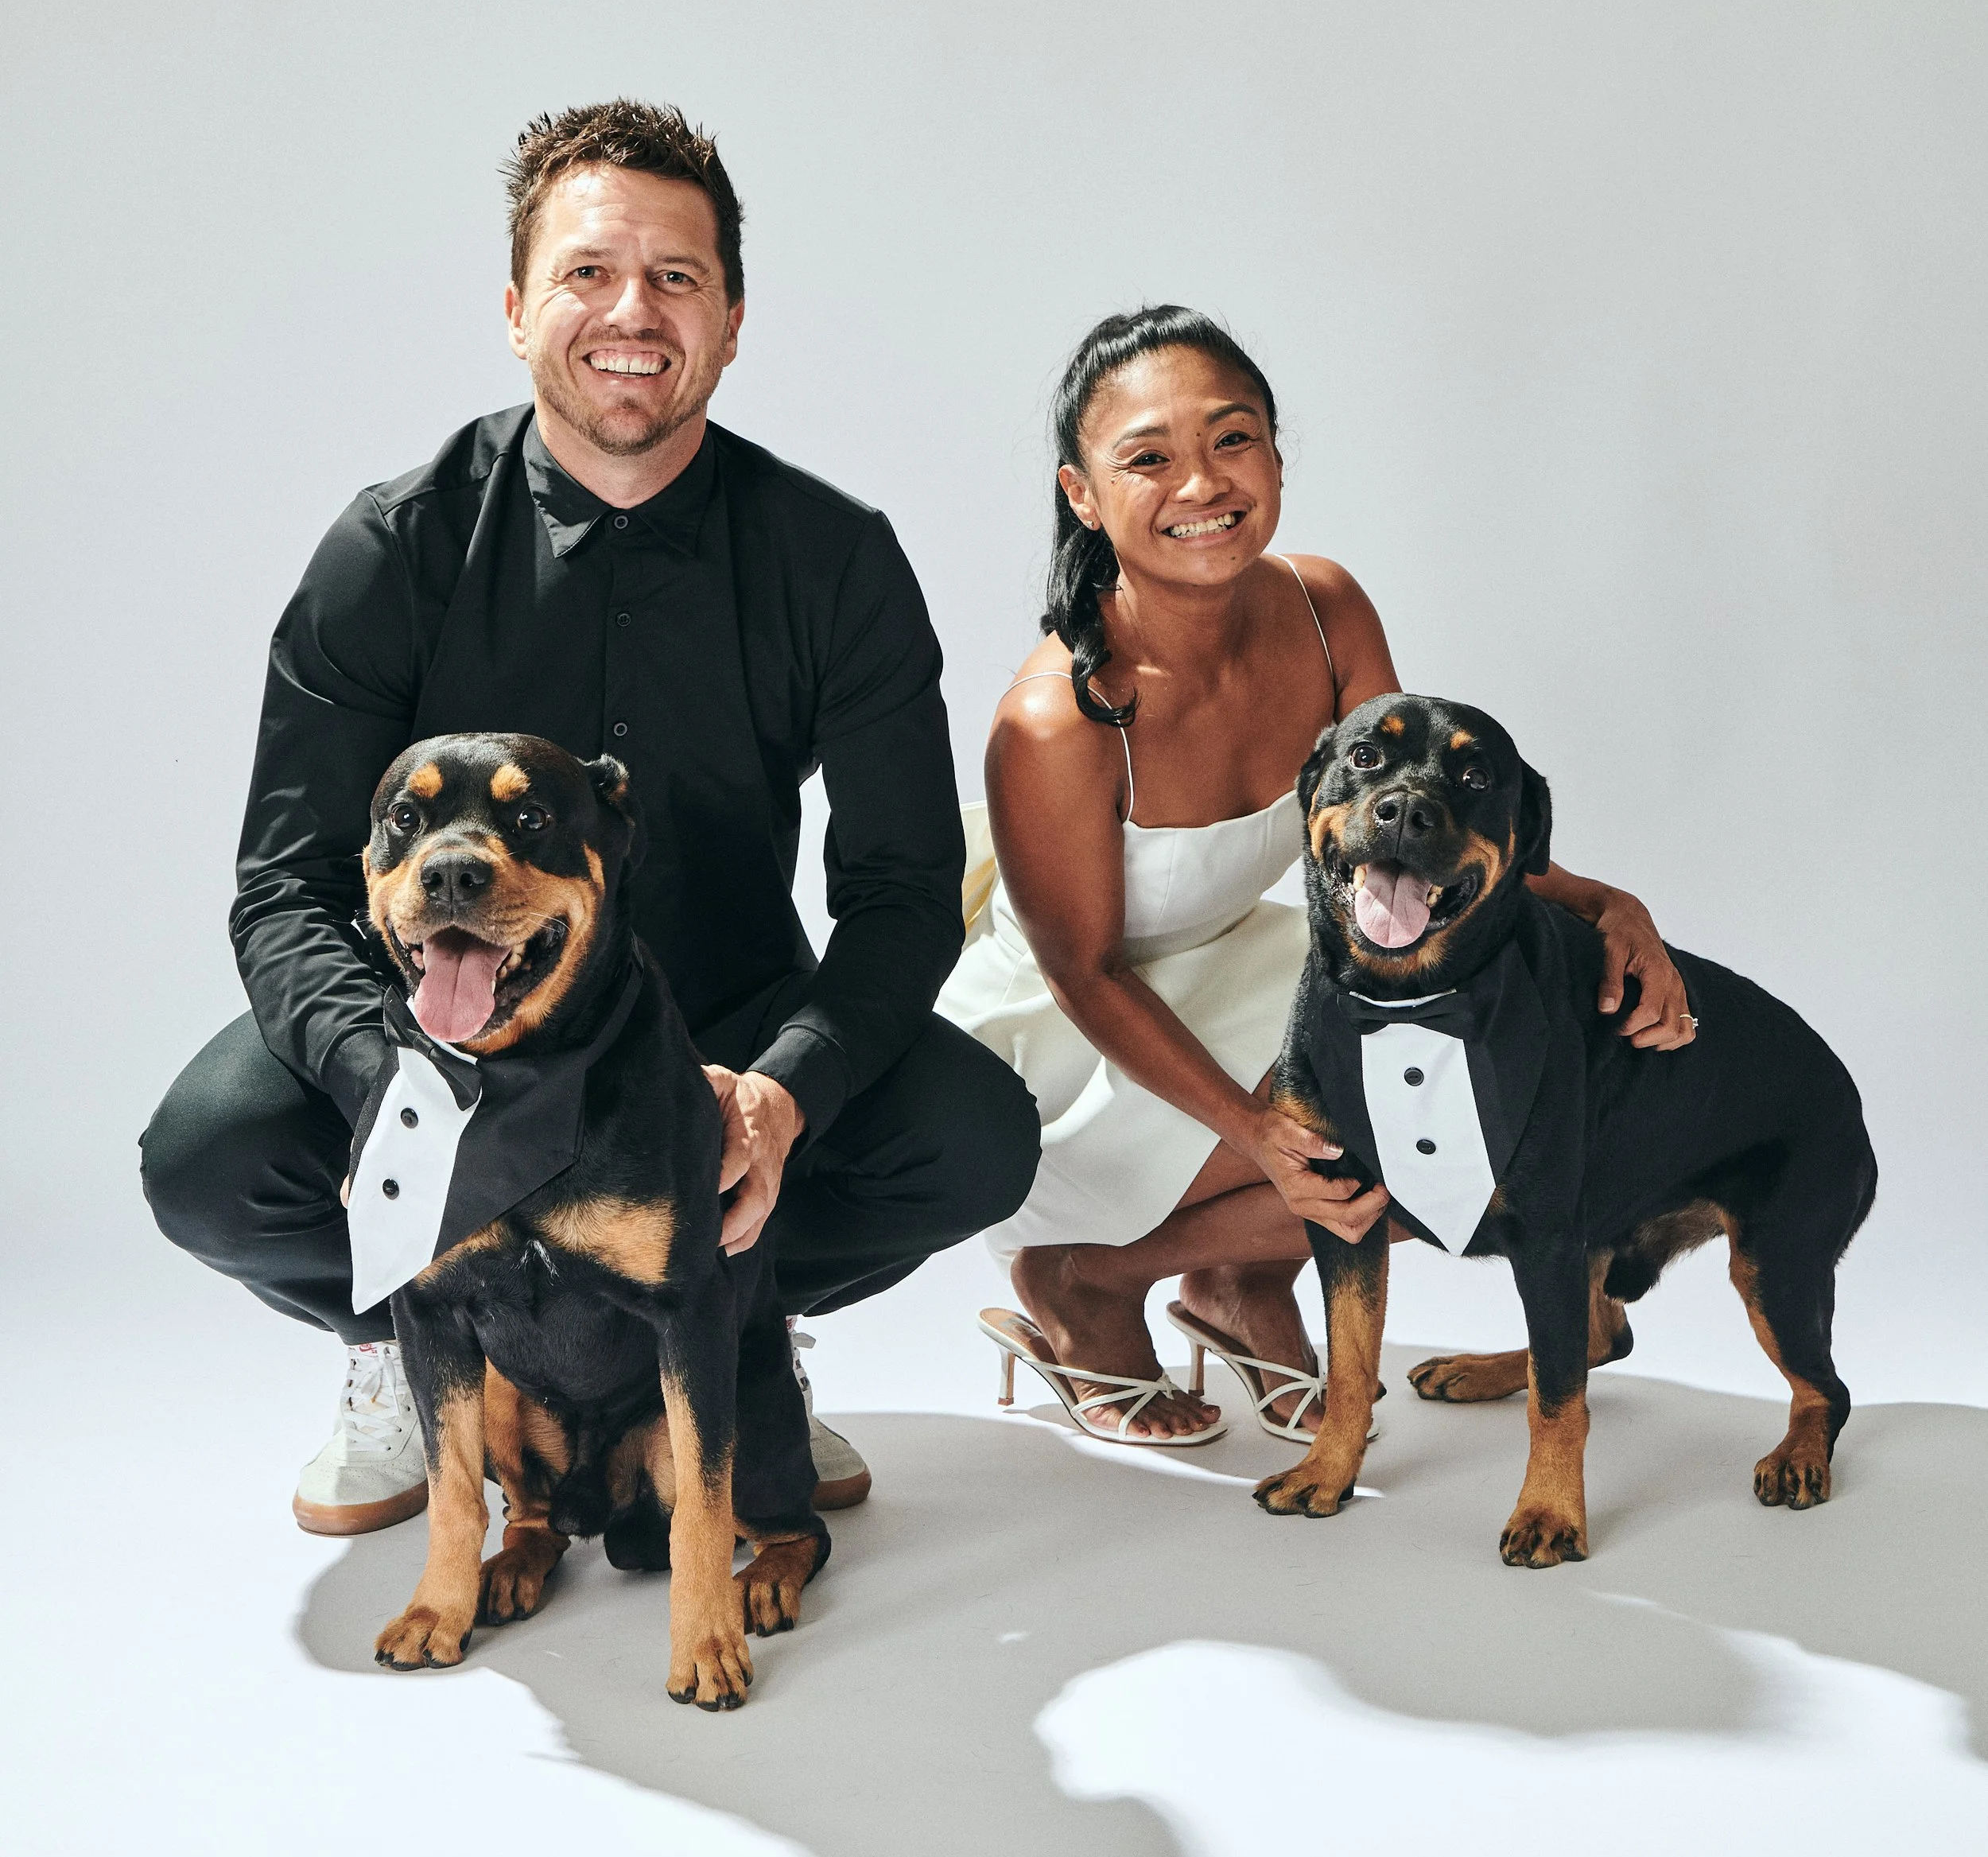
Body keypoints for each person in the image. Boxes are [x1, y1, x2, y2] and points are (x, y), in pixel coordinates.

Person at [142, 100, 1039, 1532]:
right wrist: (394, 1078)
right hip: (452, 1038)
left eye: (677, 277)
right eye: (588, 272)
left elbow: (901, 889)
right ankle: (406, 1340)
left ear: (733, 319)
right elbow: (284, 886)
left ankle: (734, 1348)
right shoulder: (394, 548)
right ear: (516, 309)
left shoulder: (837, 560)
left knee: (974, 1131)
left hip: (717, 1053)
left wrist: (787, 1086)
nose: (634, 312)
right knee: (206, 1153)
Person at [938, 304, 1691, 1445]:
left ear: (1277, 455)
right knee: (1358, 1128)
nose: (1201, 481)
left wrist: (1606, 905)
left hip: (1248, 970)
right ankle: (1078, 1281)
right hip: (1064, 1041)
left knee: (1464, 1114)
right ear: (1083, 494)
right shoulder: (1056, 718)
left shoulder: (1325, 607)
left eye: (1231, 439)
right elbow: (1086, 972)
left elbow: (1414, 828)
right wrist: (1257, 1132)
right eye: (1148, 457)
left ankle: (1234, 1283)